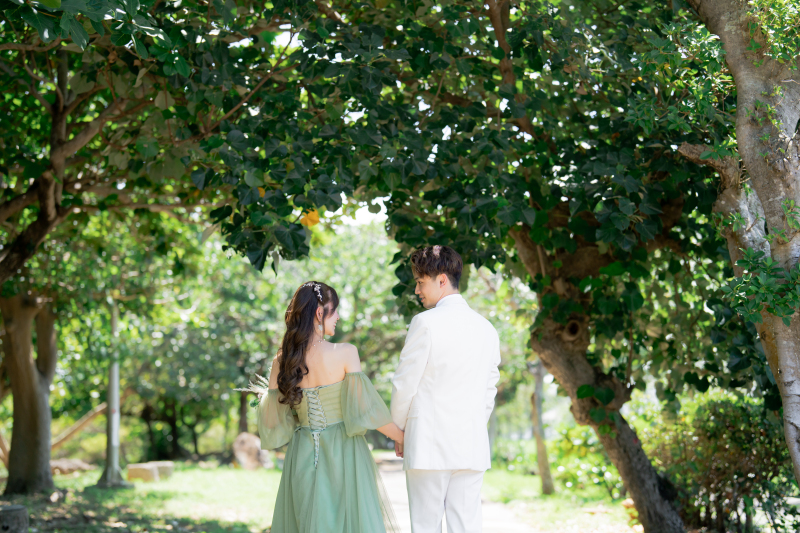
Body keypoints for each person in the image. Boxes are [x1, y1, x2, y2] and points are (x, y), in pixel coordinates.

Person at [251, 281, 404, 533]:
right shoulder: (346, 352)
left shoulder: (282, 361)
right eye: (336, 310)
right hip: (344, 451)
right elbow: (366, 411)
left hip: (302, 452)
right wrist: (402, 438)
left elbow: (271, 423)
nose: (339, 317)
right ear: (320, 313)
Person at [391, 246, 501, 533]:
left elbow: (405, 384)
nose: (416, 291)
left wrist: (400, 431)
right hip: (471, 443)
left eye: (420, 282)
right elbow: (489, 392)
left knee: (426, 526)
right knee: (467, 527)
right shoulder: (487, 328)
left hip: (428, 442)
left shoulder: (424, 323)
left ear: (441, 280)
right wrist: (473, 424)